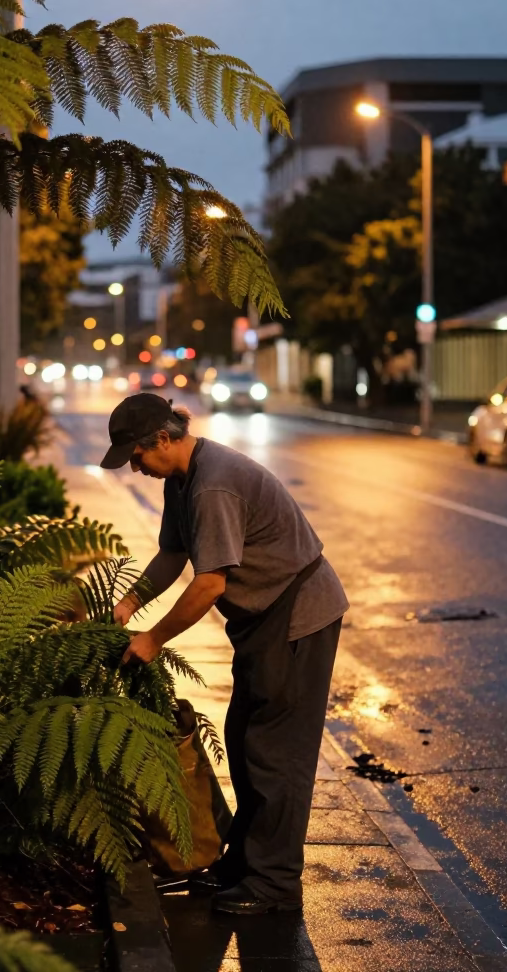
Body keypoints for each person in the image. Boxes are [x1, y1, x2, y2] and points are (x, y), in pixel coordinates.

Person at [100, 392, 348, 916]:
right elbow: (174, 554)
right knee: (242, 736)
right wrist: (129, 602)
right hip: (263, 620)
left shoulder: (212, 484)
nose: (135, 467)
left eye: (138, 456)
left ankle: (274, 884)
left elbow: (209, 583)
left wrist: (152, 639)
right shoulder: (181, 479)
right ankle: (243, 865)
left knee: (275, 753)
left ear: (163, 439)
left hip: (297, 615)